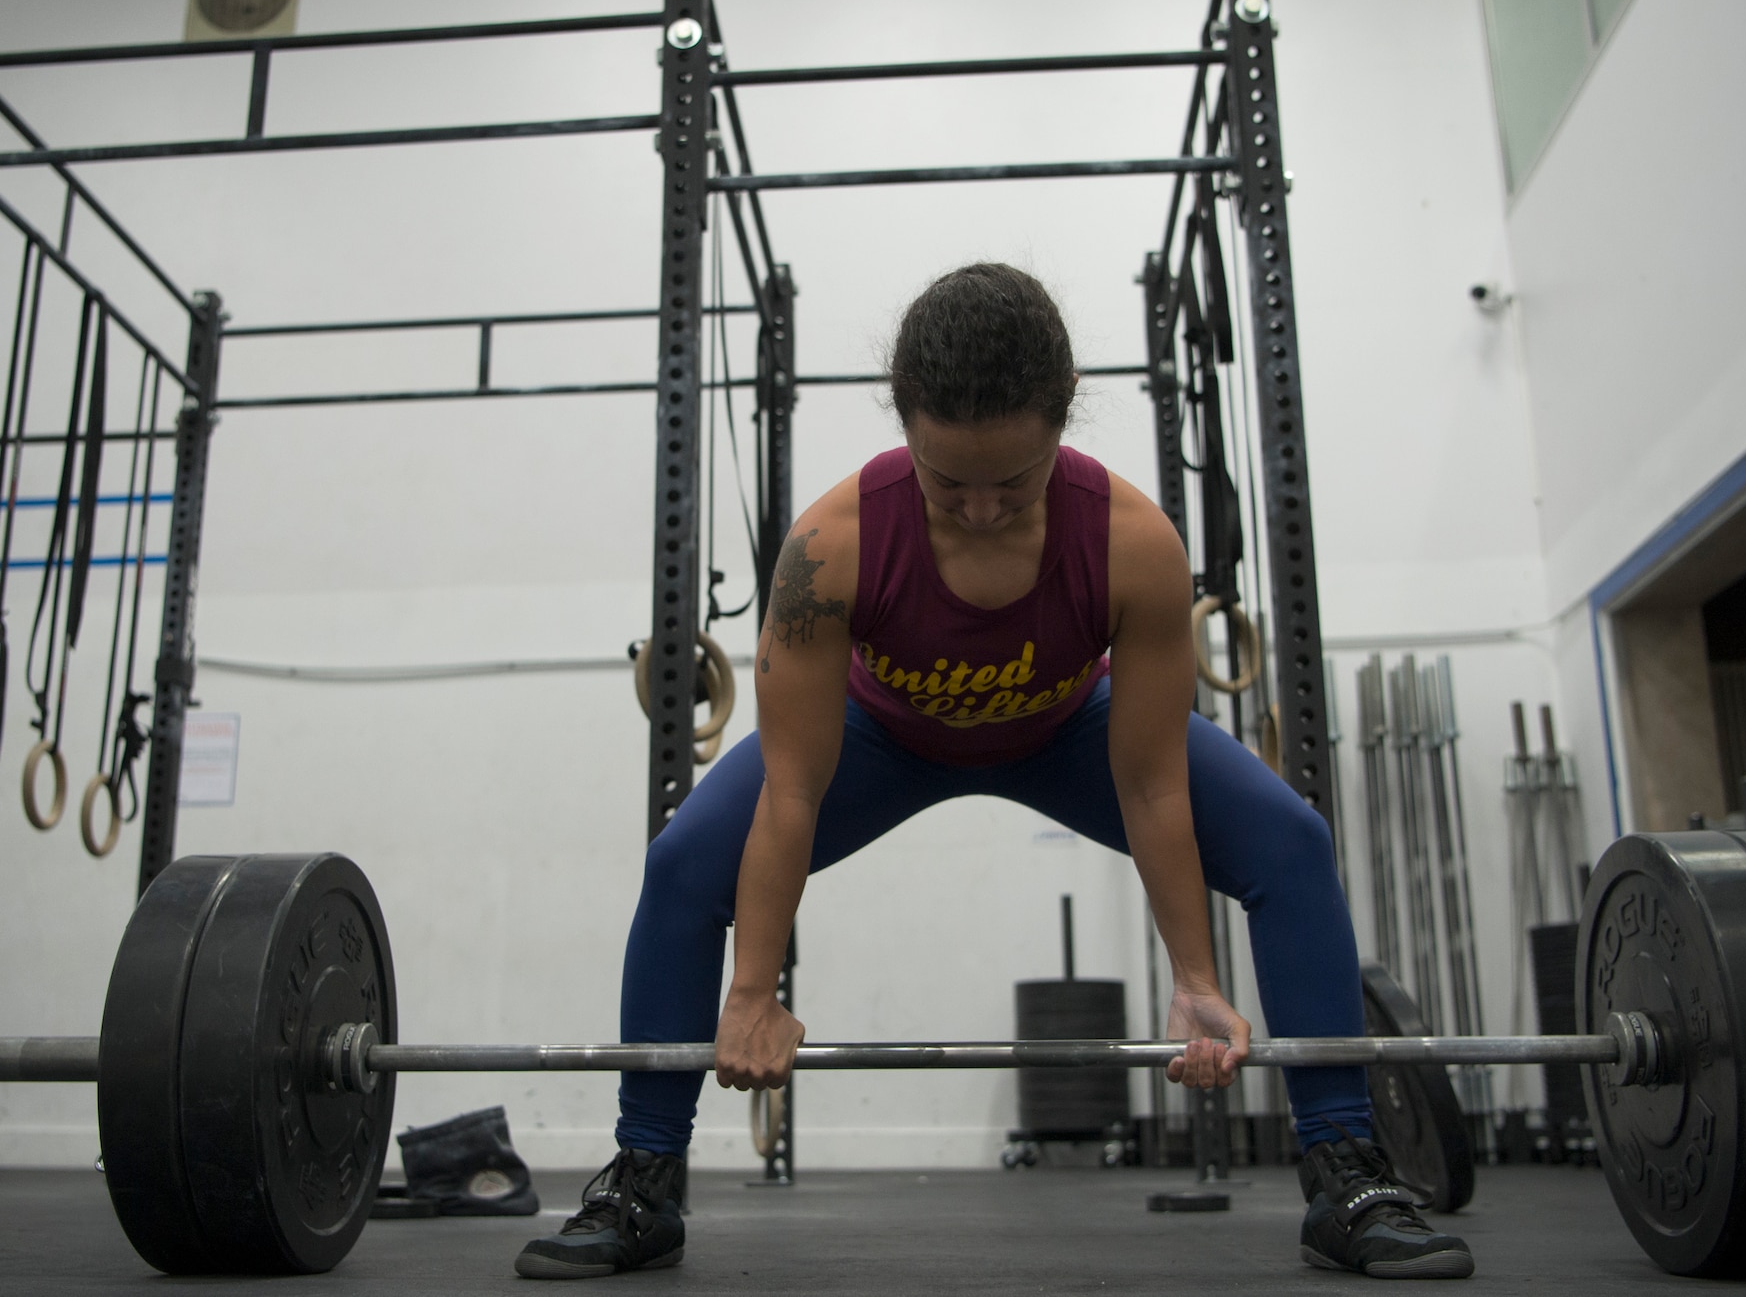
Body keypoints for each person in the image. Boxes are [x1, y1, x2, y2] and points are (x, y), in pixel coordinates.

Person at [515, 263, 1474, 1281]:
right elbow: (792, 789)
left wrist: (1195, 978)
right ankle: (644, 1180)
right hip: (874, 739)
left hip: (1068, 731)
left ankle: (1345, 1170)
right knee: (680, 867)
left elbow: (1151, 784)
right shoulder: (828, 549)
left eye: (1010, 484)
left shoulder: (1134, 544)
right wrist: (750, 994)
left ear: (1061, 429)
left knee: (1291, 844)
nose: (977, 510)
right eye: (946, 483)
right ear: (905, 431)